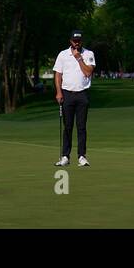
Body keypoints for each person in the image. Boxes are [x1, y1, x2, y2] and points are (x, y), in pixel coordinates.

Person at [54, 29, 95, 168]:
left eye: (79, 41)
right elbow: (58, 75)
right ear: (70, 41)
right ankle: (65, 156)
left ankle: (82, 156)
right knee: (68, 127)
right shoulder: (63, 54)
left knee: (81, 127)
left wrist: (79, 58)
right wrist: (59, 92)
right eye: (74, 41)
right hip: (67, 93)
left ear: (81, 41)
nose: (76, 43)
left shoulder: (88, 54)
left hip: (82, 94)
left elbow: (88, 72)